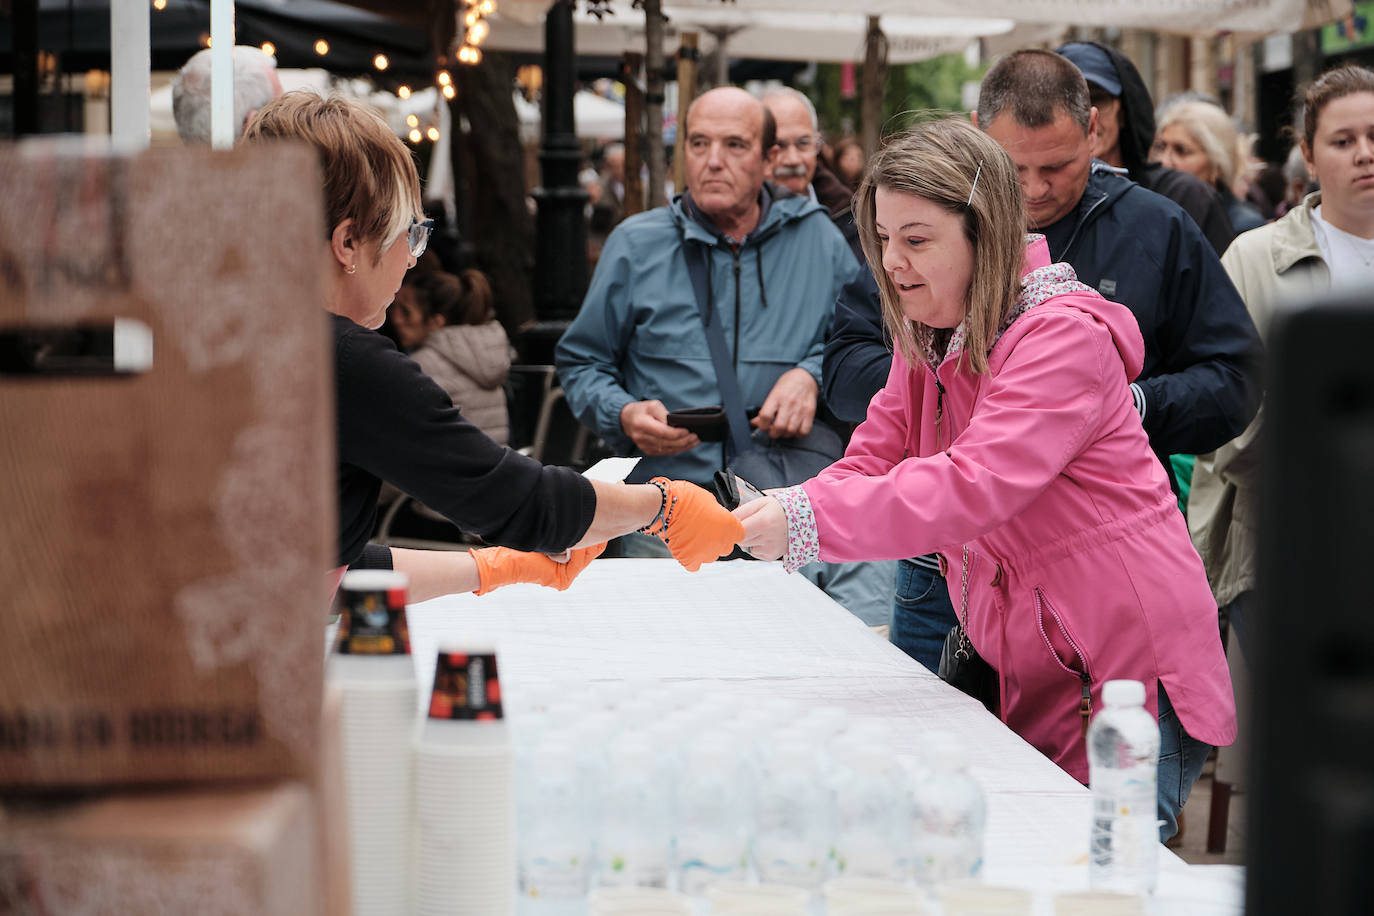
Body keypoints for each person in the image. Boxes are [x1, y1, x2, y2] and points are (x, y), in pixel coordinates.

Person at [737, 117, 1235, 840]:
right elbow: (875, 457)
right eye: (882, 237)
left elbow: (972, 485)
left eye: (916, 239)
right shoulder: (933, 330)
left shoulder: (1060, 337)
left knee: (1102, 867)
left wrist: (802, 522)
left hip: (1126, 674)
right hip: (1040, 659)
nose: (892, 261)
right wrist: (783, 507)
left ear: (986, 234)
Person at [822, 48, 1263, 673]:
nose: (1033, 190)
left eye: (1056, 166)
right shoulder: (920, 256)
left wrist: (1122, 405)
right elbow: (848, 374)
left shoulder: (1156, 229)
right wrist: (959, 394)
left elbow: (1235, 381)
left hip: (1084, 581)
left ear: (1096, 133)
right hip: (943, 558)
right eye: (1012, 170)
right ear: (977, 146)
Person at [241, 93, 744, 602]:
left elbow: (321, 571)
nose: (414, 260)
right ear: (348, 243)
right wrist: (663, 505)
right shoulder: (340, 361)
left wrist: (494, 568)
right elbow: (517, 499)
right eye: (409, 235)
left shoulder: (229, 333)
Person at [557, 87, 890, 626]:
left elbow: (857, 347)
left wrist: (810, 374)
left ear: (767, 157)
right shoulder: (634, 244)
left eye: (735, 145)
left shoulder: (820, 240)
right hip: (663, 511)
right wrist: (621, 412)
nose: (713, 160)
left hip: (785, 505)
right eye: (699, 143)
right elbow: (582, 361)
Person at [1191, 65, 1374, 652]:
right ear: (1309, 156)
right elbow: (1225, 428)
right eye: (1344, 142)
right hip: (1289, 550)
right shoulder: (1256, 258)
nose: (1364, 155)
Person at [1057, 40, 1234, 255]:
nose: (1085, 115)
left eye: (1097, 99)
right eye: (1066, 103)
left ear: (1122, 112)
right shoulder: (1036, 201)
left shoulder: (1183, 196)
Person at [393, 264, 512, 446]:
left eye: (406, 312)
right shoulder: (484, 355)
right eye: (394, 308)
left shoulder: (422, 365)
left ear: (436, 322)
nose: (396, 319)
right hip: (493, 469)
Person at [762, 87, 863, 261]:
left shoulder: (853, 218)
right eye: (778, 146)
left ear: (817, 144)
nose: (793, 160)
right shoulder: (730, 220)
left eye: (803, 143)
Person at [1152, 99, 1268, 235]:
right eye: (1161, 147)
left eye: (1181, 150)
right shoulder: (1156, 213)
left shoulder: (1243, 227)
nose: (1164, 161)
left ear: (1216, 163)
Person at [172, 45, 283, 144]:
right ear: (253, 124)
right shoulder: (290, 164)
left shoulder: (168, 166)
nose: (288, 114)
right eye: (281, 105)